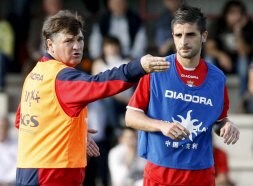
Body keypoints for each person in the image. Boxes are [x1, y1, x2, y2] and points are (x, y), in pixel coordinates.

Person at [14, 10, 169, 186]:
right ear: (50, 45)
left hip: (30, 170)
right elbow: (99, 83)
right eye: (68, 41)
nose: (76, 46)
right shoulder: (62, 77)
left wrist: (70, 132)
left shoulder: (35, 74)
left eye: (79, 39)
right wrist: (137, 67)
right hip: (53, 174)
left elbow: (22, 121)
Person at [125, 5, 240, 186]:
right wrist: (162, 125)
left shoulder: (217, 78)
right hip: (160, 173)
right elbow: (131, 116)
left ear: (204, 36)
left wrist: (227, 126)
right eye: (178, 35)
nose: (183, 41)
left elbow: (219, 121)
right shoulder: (156, 69)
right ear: (173, 37)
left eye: (191, 34)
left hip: (200, 175)